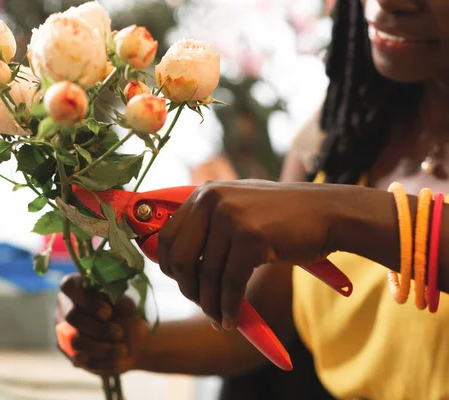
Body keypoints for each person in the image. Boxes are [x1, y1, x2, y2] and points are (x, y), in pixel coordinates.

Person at [55, 0, 449, 399]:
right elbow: (257, 328)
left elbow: (333, 215)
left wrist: (337, 216)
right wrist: (130, 342)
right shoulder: (341, 129)